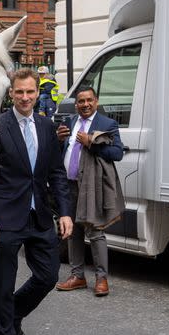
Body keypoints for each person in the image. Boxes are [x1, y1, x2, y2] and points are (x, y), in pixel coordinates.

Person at [0, 69, 73, 335]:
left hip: (39, 215)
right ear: (11, 94)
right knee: (3, 283)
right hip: (6, 216)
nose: (26, 97)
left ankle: (13, 316)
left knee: (48, 276)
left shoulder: (46, 126)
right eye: (20, 92)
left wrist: (66, 211)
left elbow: (56, 173)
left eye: (30, 92)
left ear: (36, 92)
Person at [55, 86, 124, 296]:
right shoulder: (69, 122)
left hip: (91, 186)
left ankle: (101, 279)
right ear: (76, 104)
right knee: (72, 232)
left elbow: (117, 153)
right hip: (69, 185)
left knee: (95, 232)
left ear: (96, 101)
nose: (85, 104)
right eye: (81, 101)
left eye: (89, 100)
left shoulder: (107, 124)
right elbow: (61, 151)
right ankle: (77, 276)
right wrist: (58, 140)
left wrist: (91, 143)